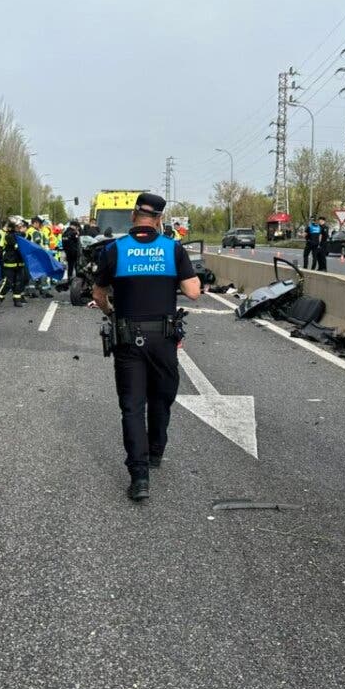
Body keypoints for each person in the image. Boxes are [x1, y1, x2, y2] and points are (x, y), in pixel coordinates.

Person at [92, 193, 201, 501]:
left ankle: (139, 477)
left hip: (128, 340)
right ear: (159, 220)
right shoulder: (172, 249)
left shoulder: (114, 250)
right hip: (164, 341)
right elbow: (193, 292)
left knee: (132, 407)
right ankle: (155, 451)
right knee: (161, 398)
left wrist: (112, 313)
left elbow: (98, 295)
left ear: (132, 217)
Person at [0, 217, 28, 307]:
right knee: (8, 282)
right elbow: (17, 247)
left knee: (19, 282)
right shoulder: (8, 236)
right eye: (18, 226)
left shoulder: (21, 235)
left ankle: (17, 300)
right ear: (13, 227)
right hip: (10, 263)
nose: (20, 227)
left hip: (20, 263)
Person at [27, 216, 54, 299]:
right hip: (38, 256)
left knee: (34, 274)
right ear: (35, 223)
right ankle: (44, 292)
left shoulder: (30, 231)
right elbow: (38, 244)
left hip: (32, 256)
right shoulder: (35, 232)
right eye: (40, 223)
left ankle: (32, 292)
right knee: (43, 274)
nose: (41, 225)